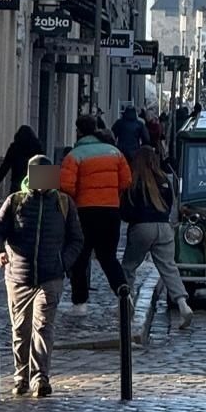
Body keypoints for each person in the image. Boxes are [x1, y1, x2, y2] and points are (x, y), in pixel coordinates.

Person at [0, 155, 83, 398]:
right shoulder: (15, 201)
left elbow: (76, 239)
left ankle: (40, 378)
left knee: (43, 326)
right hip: (18, 277)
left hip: (50, 277)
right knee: (21, 330)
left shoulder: (63, 203)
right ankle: (21, 376)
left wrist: (63, 262)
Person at [59, 114, 131, 315]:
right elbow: (126, 180)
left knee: (80, 257)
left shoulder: (74, 155)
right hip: (111, 211)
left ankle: (80, 303)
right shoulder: (115, 153)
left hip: (84, 212)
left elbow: (66, 186)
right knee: (108, 257)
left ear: (79, 131)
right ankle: (123, 293)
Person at [120, 147, 192, 329]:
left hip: (142, 227)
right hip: (164, 227)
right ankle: (183, 304)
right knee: (169, 268)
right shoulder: (164, 180)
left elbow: (126, 211)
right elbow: (171, 206)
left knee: (129, 266)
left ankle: (127, 301)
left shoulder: (133, 181)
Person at [0, 125, 44, 195]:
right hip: (32, 185)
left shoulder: (14, 148)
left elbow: (4, 168)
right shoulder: (37, 148)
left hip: (17, 183)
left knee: (15, 200)